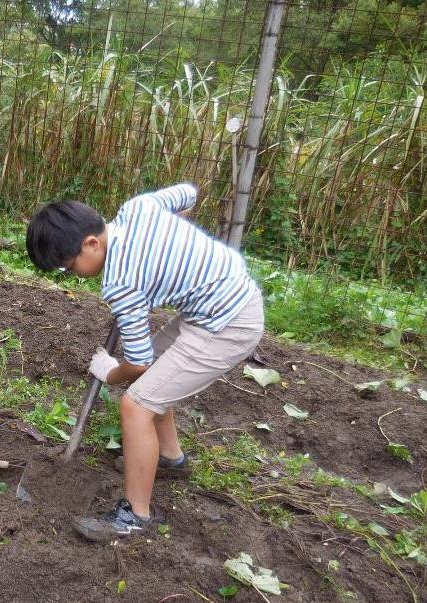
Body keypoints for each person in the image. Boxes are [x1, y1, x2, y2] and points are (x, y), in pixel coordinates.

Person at [26, 183, 263, 542]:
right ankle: (170, 459)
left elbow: (137, 363)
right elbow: (189, 193)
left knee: (136, 404)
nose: (72, 275)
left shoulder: (122, 283)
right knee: (154, 384)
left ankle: (135, 517)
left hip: (227, 325)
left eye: (68, 267)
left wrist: (109, 371)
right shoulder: (138, 208)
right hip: (220, 303)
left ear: (92, 243)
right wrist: (170, 247)